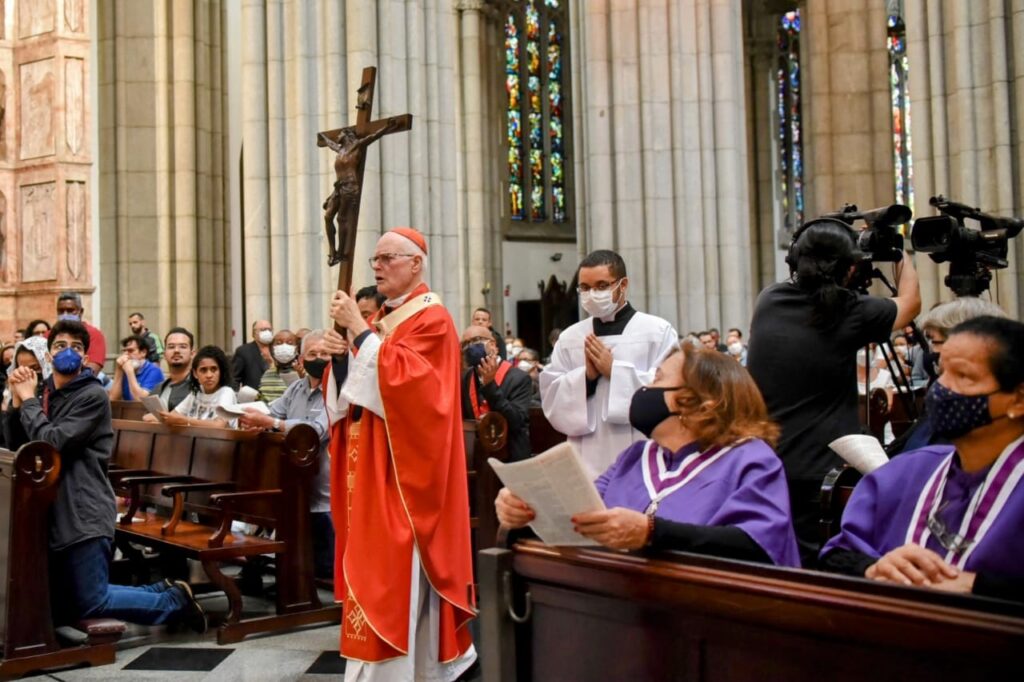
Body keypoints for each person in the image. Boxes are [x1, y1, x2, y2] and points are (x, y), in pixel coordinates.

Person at [327, 226, 476, 681]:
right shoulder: (384, 322)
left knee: (397, 582)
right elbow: (353, 397)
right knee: (378, 577)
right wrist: (339, 356)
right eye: (375, 259)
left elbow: (417, 392)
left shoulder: (433, 319)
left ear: (416, 264)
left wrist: (356, 329)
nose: (377, 267)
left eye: (387, 258)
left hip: (407, 482)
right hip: (373, 472)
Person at [497, 347, 800, 566]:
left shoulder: (750, 460)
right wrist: (526, 511)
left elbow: (755, 546)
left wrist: (652, 532)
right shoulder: (636, 457)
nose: (644, 390)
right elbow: (585, 519)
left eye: (657, 380)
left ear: (699, 401)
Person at [1, 320, 206, 630]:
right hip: (57, 512)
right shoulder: (48, 394)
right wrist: (17, 406)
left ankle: (174, 602)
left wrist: (28, 401)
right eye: (60, 346)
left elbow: (53, 443)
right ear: (48, 356)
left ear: (85, 358)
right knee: (67, 600)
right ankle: (160, 590)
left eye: (77, 347)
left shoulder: (91, 396)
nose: (67, 352)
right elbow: (18, 446)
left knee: (90, 601)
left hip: (83, 512)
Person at [746, 218, 920, 565]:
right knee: (818, 568)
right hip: (822, 471)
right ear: (852, 266)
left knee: (776, 562)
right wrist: (897, 251)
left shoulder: (770, 298)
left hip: (766, 461)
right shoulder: (850, 311)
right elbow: (911, 303)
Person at [820, 317, 1024, 602]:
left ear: (1018, 399)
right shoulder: (905, 472)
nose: (941, 389)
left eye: (963, 376)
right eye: (942, 372)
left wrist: (977, 586)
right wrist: (873, 569)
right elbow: (834, 557)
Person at [540, 249, 678, 479]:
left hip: (642, 451)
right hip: (585, 454)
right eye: (584, 288)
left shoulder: (657, 331)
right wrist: (586, 378)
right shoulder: (570, 337)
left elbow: (673, 390)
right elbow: (551, 396)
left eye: (601, 286)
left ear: (623, 285)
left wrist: (615, 371)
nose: (592, 294)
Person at [240, 330, 334, 579]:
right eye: (313, 353)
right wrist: (251, 418)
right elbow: (272, 411)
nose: (319, 358)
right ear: (301, 360)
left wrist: (270, 421)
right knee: (298, 564)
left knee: (325, 569)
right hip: (293, 486)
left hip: (324, 491)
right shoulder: (296, 388)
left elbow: (315, 431)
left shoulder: (336, 391)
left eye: (325, 353)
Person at [461, 325, 532, 461]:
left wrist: (490, 386)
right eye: (465, 343)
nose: (470, 346)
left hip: (510, 456)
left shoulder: (519, 378)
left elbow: (516, 420)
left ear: (492, 344)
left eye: (475, 340)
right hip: (478, 457)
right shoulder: (465, 378)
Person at [158, 346, 236, 429]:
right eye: (203, 370)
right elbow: (174, 415)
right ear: (195, 373)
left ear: (221, 372)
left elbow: (219, 426)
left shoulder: (226, 392)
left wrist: (185, 421)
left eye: (214, 369)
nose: (209, 375)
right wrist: (160, 415)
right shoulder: (197, 392)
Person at [56, 292, 108, 377]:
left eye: (70, 310)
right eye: (61, 311)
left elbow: (92, 371)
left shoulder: (93, 334)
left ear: (81, 311)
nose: (65, 315)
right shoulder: (49, 334)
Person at [149, 327, 196, 412]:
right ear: (164, 354)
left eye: (183, 346)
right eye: (171, 347)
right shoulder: (157, 389)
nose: (176, 350)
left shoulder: (199, 386)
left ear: (192, 354)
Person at [109, 335, 165, 401]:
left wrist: (130, 372)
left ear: (143, 352)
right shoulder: (124, 370)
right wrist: (119, 370)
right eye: (124, 351)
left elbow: (141, 400)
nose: (126, 355)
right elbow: (113, 399)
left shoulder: (154, 371)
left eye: (130, 351)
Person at [258, 329, 299, 403]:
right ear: (272, 349)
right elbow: (263, 400)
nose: (284, 346)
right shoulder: (267, 374)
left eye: (289, 343)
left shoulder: (302, 374)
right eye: (279, 343)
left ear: (296, 348)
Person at [232, 320, 272, 391]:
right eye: (263, 330)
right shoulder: (244, 351)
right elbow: (234, 378)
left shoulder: (276, 350)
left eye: (269, 329)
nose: (267, 332)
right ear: (254, 333)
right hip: (254, 399)